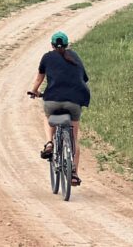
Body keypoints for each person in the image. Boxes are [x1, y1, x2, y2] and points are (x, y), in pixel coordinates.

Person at [28, 31, 89, 186]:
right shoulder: (75, 56)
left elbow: (38, 79)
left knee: (48, 118)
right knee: (74, 138)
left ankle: (49, 143)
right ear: (67, 45)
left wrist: (34, 92)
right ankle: (74, 173)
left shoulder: (47, 57)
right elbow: (83, 78)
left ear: (52, 45)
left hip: (52, 100)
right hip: (75, 101)